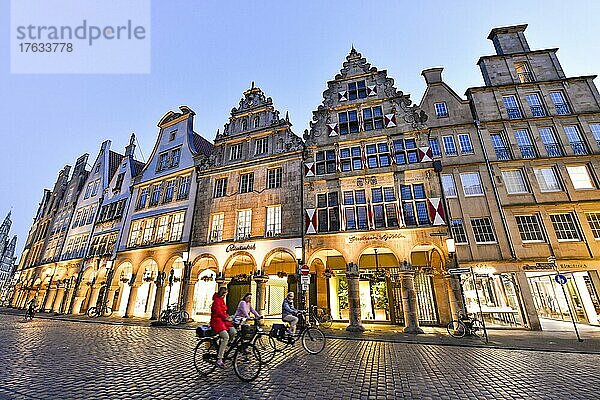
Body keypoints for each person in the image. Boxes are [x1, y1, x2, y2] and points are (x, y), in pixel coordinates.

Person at [210, 287, 236, 368]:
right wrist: (226, 317)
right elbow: (218, 312)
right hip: (217, 321)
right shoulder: (216, 301)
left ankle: (224, 346)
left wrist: (228, 317)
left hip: (224, 320)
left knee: (233, 332)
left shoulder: (221, 300)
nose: (225, 295)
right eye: (225, 294)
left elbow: (223, 311)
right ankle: (219, 359)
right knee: (225, 336)